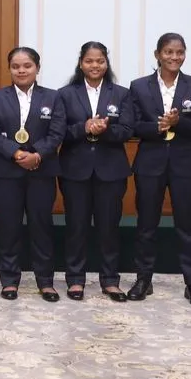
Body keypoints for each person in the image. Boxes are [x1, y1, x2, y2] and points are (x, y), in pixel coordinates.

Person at [124, 33, 191, 307]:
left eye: (180, 52)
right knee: (146, 224)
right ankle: (143, 279)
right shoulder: (138, 86)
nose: (174, 57)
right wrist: (157, 127)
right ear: (157, 54)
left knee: (188, 225)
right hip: (150, 162)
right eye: (169, 52)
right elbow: (133, 126)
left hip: (187, 163)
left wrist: (179, 122)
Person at [0, 47, 65, 302]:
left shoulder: (53, 97)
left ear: (37, 68)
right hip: (6, 172)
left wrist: (37, 154)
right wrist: (17, 154)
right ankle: (9, 280)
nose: (21, 70)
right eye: (16, 66)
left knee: (41, 226)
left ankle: (45, 281)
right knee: (8, 227)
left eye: (27, 66)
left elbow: (57, 132)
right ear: (10, 69)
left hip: (42, 171)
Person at [56, 42, 133, 303]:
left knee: (109, 227)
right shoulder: (65, 94)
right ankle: (75, 280)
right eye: (90, 61)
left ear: (106, 63)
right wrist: (83, 127)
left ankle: (110, 281)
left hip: (110, 171)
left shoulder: (121, 94)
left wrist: (105, 130)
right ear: (81, 63)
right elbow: (58, 132)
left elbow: (127, 130)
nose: (95, 66)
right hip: (74, 170)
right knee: (76, 227)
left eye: (100, 61)